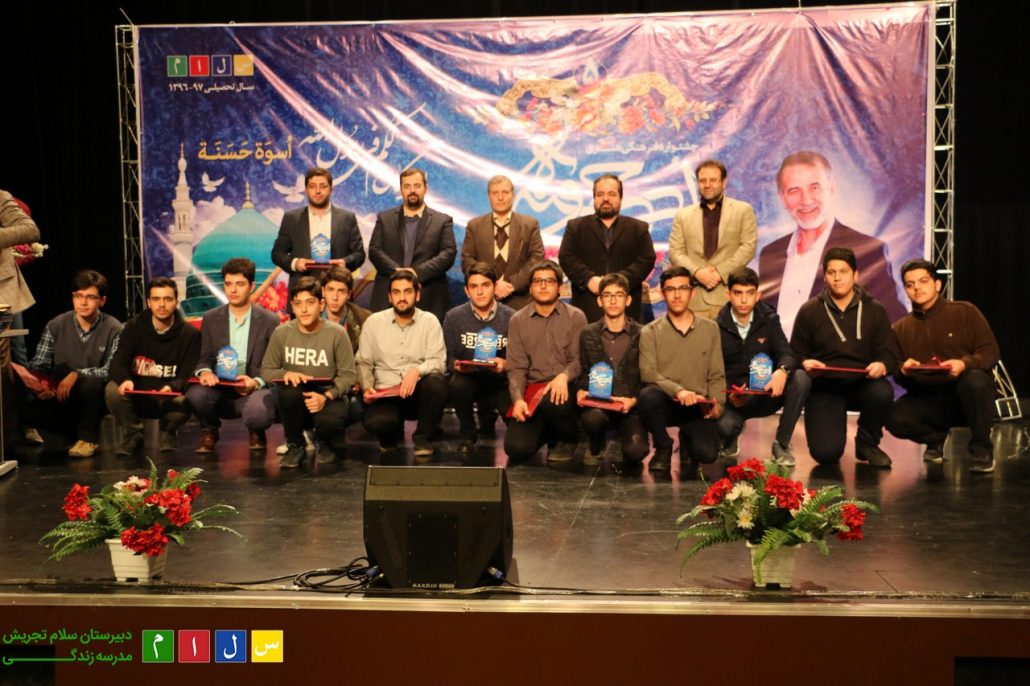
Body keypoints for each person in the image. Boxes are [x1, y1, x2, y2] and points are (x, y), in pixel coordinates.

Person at [757, 151, 906, 336]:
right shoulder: (770, 254)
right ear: (782, 197)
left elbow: (892, 321)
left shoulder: (867, 250)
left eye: (815, 187)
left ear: (831, 189)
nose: (806, 200)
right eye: (794, 191)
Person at [887, 259, 1000, 473]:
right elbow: (897, 373)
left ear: (937, 284)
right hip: (928, 398)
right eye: (910, 284)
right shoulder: (900, 328)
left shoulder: (965, 311)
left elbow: (990, 351)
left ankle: (981, 449)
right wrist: (904, 370)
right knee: (894, 418)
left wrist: (964, 363)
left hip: (966, 394)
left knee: (975, 380)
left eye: (923, 281)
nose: (917, 288)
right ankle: (935, 438)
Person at [791, 247, 900, 468]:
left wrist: (882, 365)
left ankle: (867, 443)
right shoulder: (809, 310)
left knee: (882, 392)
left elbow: (890, 354)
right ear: (824, 276)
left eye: (843, 271)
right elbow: (794, 352)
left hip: (863, 383)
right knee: (826, 454)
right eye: (831, 272)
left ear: (855, 275)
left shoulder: (875, 309)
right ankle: (830, 441)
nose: (837, 278)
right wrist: (804, 362)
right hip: (824, 387)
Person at [715, 267, 810, 466]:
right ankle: (730, 439)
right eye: (738, 293)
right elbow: (713, 371)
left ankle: (781, 444)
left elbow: (786, 353)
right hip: (734, 399)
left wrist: (782, 370)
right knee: (726, 427)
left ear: (757, 295)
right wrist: (729, 394)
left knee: (801, 378)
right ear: (728, 294)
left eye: (749, 293)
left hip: (766, 394)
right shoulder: (716, 325)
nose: (744, 300)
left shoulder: (770, 319)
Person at [24, 270, 122, 457]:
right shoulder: (56, 325)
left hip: (96, 396)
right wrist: (43, 386)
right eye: (78, 296)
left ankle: (88, 439)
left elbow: (110, 370)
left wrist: (77, 374)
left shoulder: (114, 328)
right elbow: (39, 364)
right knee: (28, 410)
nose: (83, 302)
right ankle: (67, 432)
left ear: (102, 301)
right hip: (61, 391)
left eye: (90, 297)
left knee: (91, 383)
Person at [260, 276, 355, 468]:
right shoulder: (282, 333)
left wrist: (326, 396)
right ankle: (296, 445)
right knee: (288, 393)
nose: (303, 310)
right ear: (293, 307)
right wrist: (285, 374)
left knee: (330, 422)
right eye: (298, 304)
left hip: (327, 394)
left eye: (310, 303)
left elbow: (349, 375)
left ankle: (324, 440)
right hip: (295, 396)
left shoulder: (337, 333)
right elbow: (266, 371)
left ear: (321, 304)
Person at [186, 258, 279, 454]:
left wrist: (256, 382)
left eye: (240, 284)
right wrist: (205, 372)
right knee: (196, 395)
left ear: (251, 286)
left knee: (258, 412)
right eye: (228, 284)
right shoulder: (211, 318)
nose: (233, 290)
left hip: (253, 388)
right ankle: (209, 430)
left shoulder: (270, 321)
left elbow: (275, 364)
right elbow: (204, 358)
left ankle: (257, 431)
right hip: (220, 388)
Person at [638, 266, 725, 474]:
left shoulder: (710, 329)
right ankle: (663, 445)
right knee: (648, 396)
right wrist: (678, 391)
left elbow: (716, 374)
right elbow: (647, 372)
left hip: (697, 406)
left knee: (708, 454)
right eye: (671, 289)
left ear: (692, 292)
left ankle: (687, 437)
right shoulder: (650, 331)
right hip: (666, 403)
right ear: (663, 293)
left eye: (683, 288)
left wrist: (718, 405)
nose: (677, 295)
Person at [356, 271, 448, 457]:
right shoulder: (373, 322)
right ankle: (389, 437)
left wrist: (417, 370)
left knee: (437, 384)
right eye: (396, 292)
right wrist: (367, 387)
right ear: (389, 297)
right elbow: (363, 362)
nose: (402, 298)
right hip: (385, 393)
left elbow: (439, 362)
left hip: (417, 394)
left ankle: (422, 437)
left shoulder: (430, 321)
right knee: (379, 423)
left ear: (417, 294)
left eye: (407, 292)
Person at [505, 260, 587, 466]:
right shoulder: (518, 320)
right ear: (530, 287)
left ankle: (568, 438)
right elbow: (516, 367)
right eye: (537, 281)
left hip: (565, 388)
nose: (543, 286)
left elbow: (579, 359)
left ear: (559, 287)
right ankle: (548, 433)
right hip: (533, 391)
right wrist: (518, 400)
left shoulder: (575, 317)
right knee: (516, 448)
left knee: (554, 400)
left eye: (549, 281)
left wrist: (563, 376)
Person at [106, 277, 201, 455]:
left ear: (176, 302)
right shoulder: (133, 327)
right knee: (113, 390)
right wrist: (125, 380)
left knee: (188, 397)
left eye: (167, 299)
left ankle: (168, 431)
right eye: (156, 299)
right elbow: (117, 362)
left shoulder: (190, 334)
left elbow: (187, 373)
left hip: (169, 394)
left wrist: (172, 387)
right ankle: (134, 434)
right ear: (149, 302)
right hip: (138, 392)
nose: (162, 305)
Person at [575, 273, 648, 474]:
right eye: (607, 295)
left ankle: (625, 438)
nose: (613, 300)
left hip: (630, 405)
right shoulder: (588, 333)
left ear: (628, 299)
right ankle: (596, 443)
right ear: (599, 301)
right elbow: (584, 371)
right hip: (600, 403)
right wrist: (581, 390)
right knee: (593, 420)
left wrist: (634, 400)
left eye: (619, 295)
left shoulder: (643, 333)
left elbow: (648, 376)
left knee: (636, 452)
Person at [558, 174, 656, 322]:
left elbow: (647, 259)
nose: (605, 198)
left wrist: (618, 282)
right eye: (600, 194)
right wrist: (589, 279)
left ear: (620, 198)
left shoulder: (638, 228)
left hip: (627, 310)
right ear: (594, 198)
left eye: (611, 194)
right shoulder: (576, 227)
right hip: (587, 307)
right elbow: (566, 257)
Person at [668, 159, 758, 318]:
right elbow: (675, 252)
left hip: (728, 298)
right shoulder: (683, 215)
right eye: (702, 180)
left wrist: (719, 273)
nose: (707, 185)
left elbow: (748, 247)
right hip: (693, 300)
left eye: (713, 180)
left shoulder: (743, 210)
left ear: (724, 182)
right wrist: (697, 272)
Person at [442, 262, 515, 456]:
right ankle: (468, 433)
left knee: (517, 442)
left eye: (485, 285)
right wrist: (455, 365)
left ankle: (504, 426)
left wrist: (506, 364)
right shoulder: (453, 317)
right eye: (474, 287)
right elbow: (448, 356)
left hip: (500, 381)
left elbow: (520, 359)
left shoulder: (512, 318)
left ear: (495, 287)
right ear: (466, 291)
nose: (480, 292)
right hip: (468, 378)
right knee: (457, 384)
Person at [368, 168, 456, 322]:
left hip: (429, 298)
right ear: (401, 189)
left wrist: (416, 273)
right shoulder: (384, 218)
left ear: (425, 188)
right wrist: (398, 273)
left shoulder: (442, 221)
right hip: (387, 300)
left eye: (417, 186)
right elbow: (375, 250)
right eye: (407, 186)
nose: (412, 191)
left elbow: (448, 253)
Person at [271, 167, 365, 293]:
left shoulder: (347, 218)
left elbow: (359, 254)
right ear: (306, 190)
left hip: (336, 291)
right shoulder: (291, 218)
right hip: (302, 291)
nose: (318, 191)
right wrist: (295, 263)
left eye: (323, 186)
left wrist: (344, 263)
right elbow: (277, 253)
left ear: (331, 189)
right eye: (312, 186)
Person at [460, 175, 545, 310]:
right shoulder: (474, 226)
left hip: (520, 303)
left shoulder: (530, 224)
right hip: (484, 303)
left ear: (513, 195)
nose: (500, 197)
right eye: (495, 193)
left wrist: (511, 285)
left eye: (505, 192)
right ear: (489, 196)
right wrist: (491, 285)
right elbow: (467, 260)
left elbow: (536, 259)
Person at [0, 190, 40, 445]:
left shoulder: (0, 197)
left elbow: (30, 230)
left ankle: (27, 422)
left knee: (16, 357)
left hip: (3, 293)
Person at [321, 266, 371, 355]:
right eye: (330, 290)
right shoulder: (310, 316)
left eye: (341, 291)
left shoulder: (365, 320)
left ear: (349, 294)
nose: (335, 297)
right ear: (323, 291)